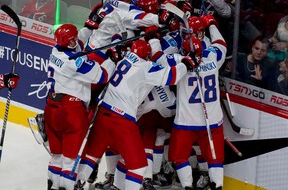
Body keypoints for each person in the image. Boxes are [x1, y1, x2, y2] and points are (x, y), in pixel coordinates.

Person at [76, 39, 195, 190]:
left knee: (91, 155)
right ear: (146, 56)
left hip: (103, 113)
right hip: (122, 120)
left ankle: (76, 184)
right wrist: (186, 64)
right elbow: (171, 77)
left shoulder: (123, 59)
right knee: (138, 167)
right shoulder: (145, 67)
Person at [44, 24, 116, 190]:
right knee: (69, 161)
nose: (76, 41)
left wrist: (90, 25)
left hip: (52, 108)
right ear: (68, 41)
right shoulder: (74, 63)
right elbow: (101, 76)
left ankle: (53, 187)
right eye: (73, 39)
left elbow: (78, 43)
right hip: (71, 112)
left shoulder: (55, 50)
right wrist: (111, 59)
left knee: (56, 157)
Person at [168, 14, 227, 190]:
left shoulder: (179, 62)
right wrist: (212, 24)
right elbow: (221, 43)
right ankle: (218, 186)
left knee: (179, 157)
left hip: (186, 122)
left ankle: (187, 186)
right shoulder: (213, 57)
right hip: (213, 120)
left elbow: (157, 58)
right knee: (215, 159)